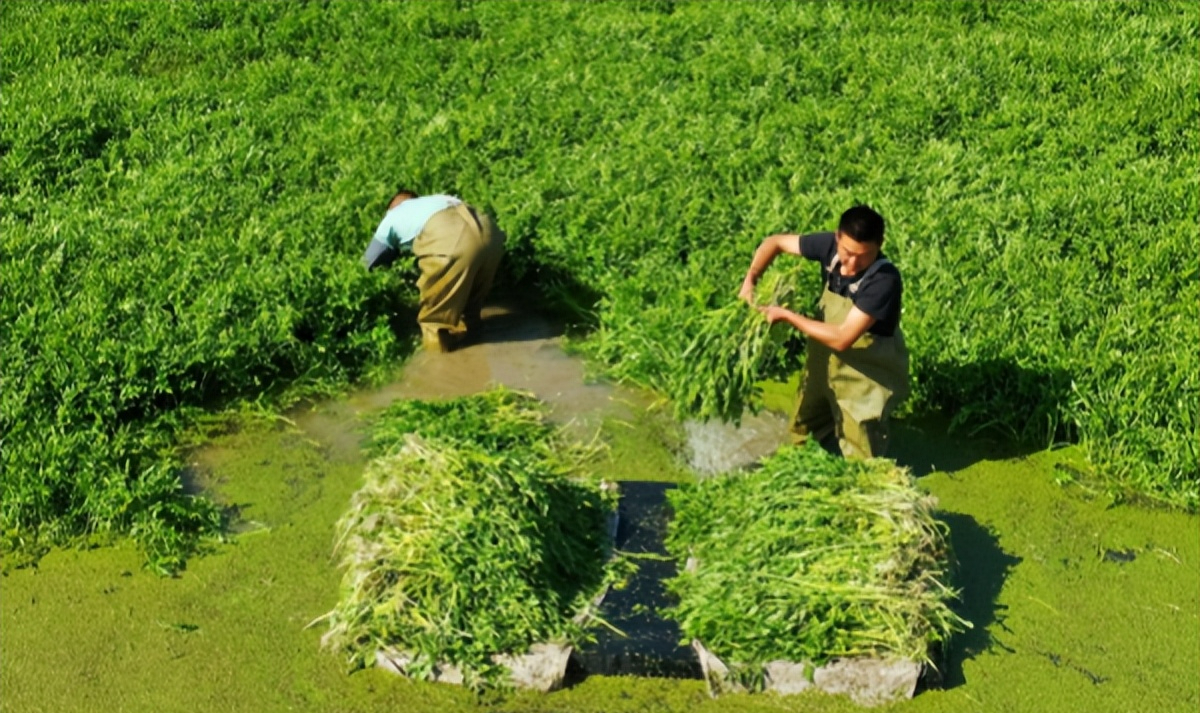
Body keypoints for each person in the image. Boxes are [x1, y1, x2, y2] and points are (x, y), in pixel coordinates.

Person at [738, 205, 909, 459]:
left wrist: (786, 316)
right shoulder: (829, 247)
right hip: (822, 364)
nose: (852, 263)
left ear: (879, 244)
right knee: (802, 431)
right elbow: (774, 243)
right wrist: (751, 278)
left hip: (863, 376)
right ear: (837, 237)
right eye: (847, 252)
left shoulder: (884, 281)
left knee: (862, 455)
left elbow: (842, 338)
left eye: (864, 256)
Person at [363, 189, 505, 352]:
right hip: (491, 236)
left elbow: (368, 264)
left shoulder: (393, 216)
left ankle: (441, 366)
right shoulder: (441, 199)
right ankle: (478, 354)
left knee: (434, 323)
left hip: (453, 241)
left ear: (392, 207)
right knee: (468, 310)